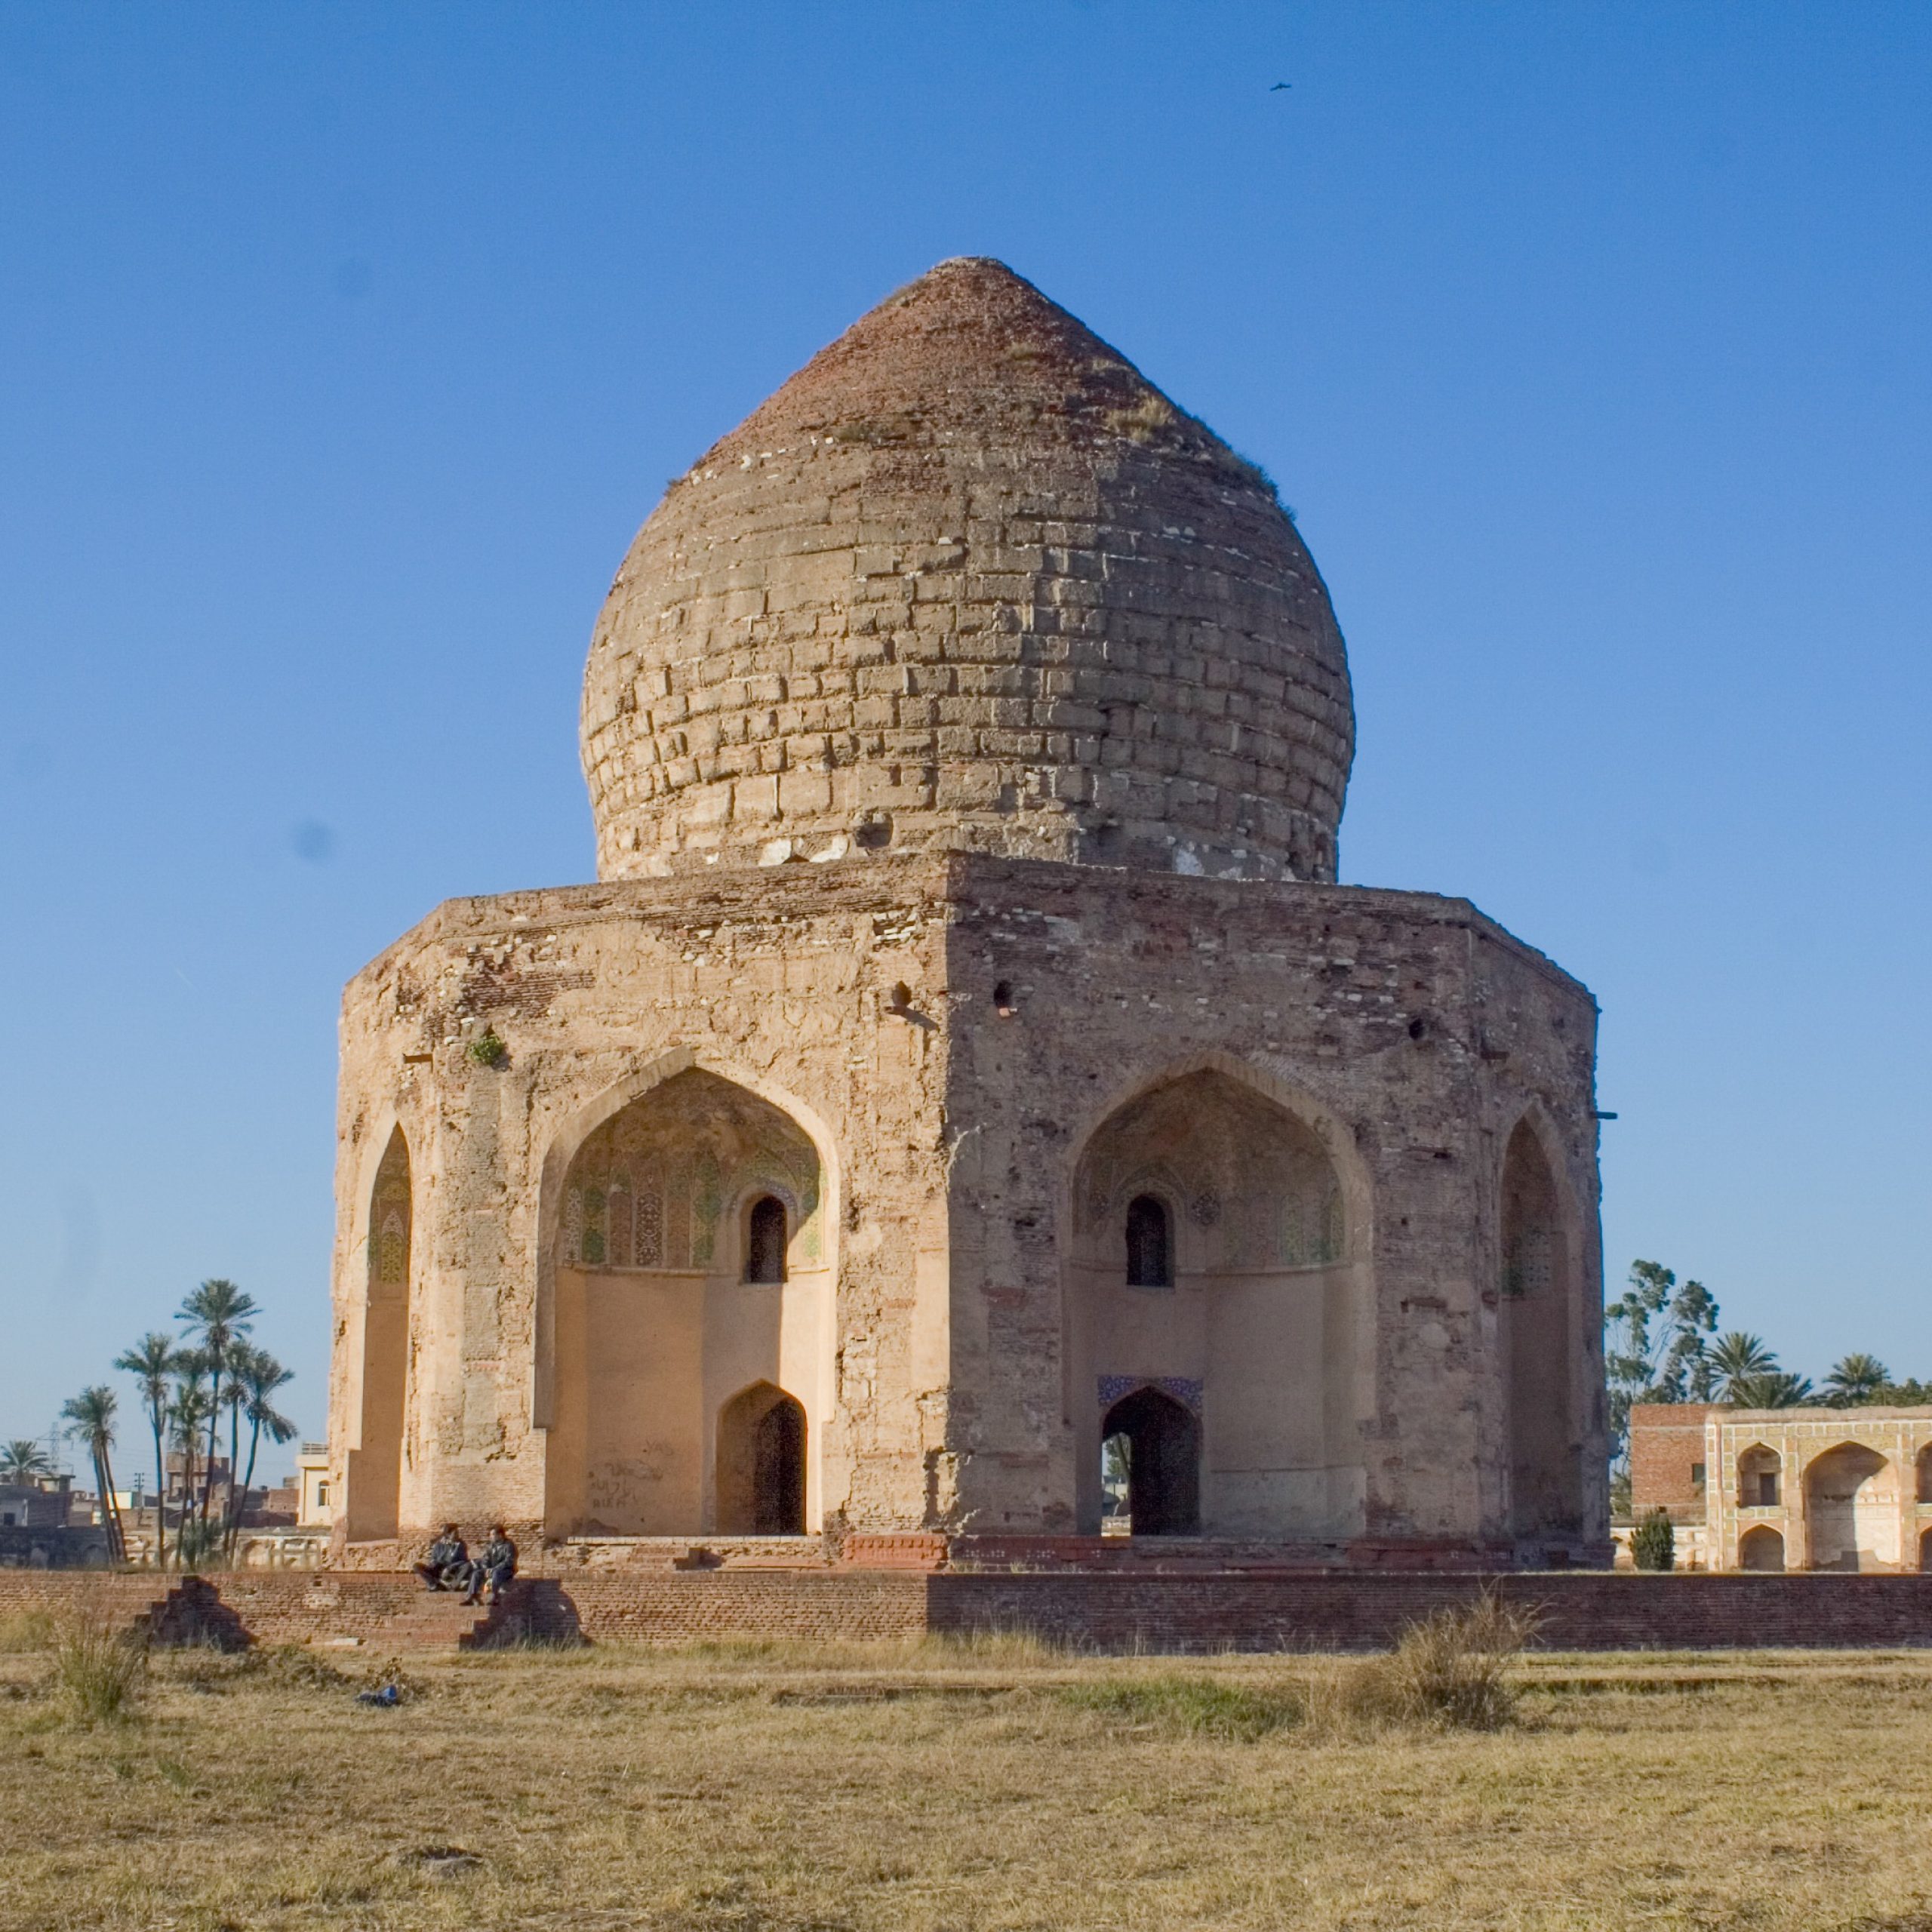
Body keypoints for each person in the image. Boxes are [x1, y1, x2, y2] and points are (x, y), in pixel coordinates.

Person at [465, 1524, 517, 1605]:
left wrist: (494, 1569)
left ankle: (495, 1598)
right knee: (476, 1574)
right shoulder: (491, 1545)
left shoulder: (509, 1545)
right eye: (490, 1535)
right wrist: (486, 1568)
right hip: (492, 1570)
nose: (490, 1537)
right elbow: (485, 1559)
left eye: (493, 1535)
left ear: (500, 1535)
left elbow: (508, 1561)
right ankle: (472, 1597)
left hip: (506, 1570)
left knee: (496, 1574)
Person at [413, 1523, 469, 1592]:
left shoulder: (461, 1545)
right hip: (437, 1568)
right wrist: (433, 1562)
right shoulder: (439, 1544)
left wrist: (450, 1567)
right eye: (455, 1533)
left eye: (458, 1533)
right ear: (448, 1535)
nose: (458, 1536)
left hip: (450, 1569)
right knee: (416, 1566)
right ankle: (435, 1584)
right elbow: (433, 1557)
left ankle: (439, 1584)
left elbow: (464, 1560)